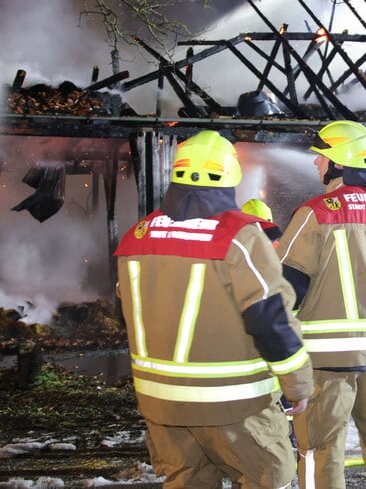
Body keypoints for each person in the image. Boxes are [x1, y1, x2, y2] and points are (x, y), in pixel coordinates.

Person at [114, 130, 313, 489]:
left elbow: (125, 308)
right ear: (230, 175)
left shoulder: (137, 235)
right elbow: (270, 318)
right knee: (271, 479)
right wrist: (297, 385)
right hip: (234, 404)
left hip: (161, 406)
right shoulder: (240, 236)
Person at [279, 120, 366, 489]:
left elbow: (287, 287)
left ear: (339, 162)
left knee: (320, 449)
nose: (316, 163)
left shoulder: (315, 212)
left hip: (327, 362)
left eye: (321, 157)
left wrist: (276, 348)